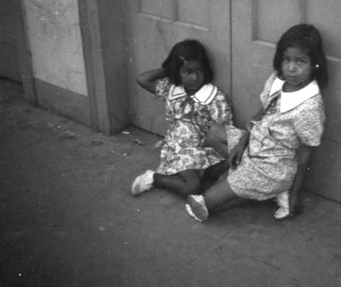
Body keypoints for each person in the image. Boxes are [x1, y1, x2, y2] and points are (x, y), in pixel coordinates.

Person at [185, 24, 327, 222]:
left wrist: (295, 193)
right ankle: (248, 183)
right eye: (286, 59)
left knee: (205, 203)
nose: (291, 68)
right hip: (254, 145)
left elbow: (306, 152)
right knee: (213, 133)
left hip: (272, 166)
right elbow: (260, 114)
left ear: (315, 64)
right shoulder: (277, 80)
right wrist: (242, 144)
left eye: (300, 62)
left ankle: (275, 190)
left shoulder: (310, 106)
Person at [131, 39, 233, 198]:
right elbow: (142, 79)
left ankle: (202, 174)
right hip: (182, 148)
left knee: (222, 174)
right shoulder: (171, 89)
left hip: (207, 148)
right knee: (192, 188)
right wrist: (169, 70)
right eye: (188, 71)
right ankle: (153, 178)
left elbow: (224, 129)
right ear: (177, 71)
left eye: (199, 71)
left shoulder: (214, 96)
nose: (195, 77)